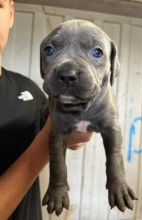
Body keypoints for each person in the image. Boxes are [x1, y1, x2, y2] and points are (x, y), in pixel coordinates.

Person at [0, 0, 92, 219]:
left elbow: (70, 131)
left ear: (11, 12)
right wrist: (50, 137)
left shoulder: (28, 91)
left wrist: (81, 122)